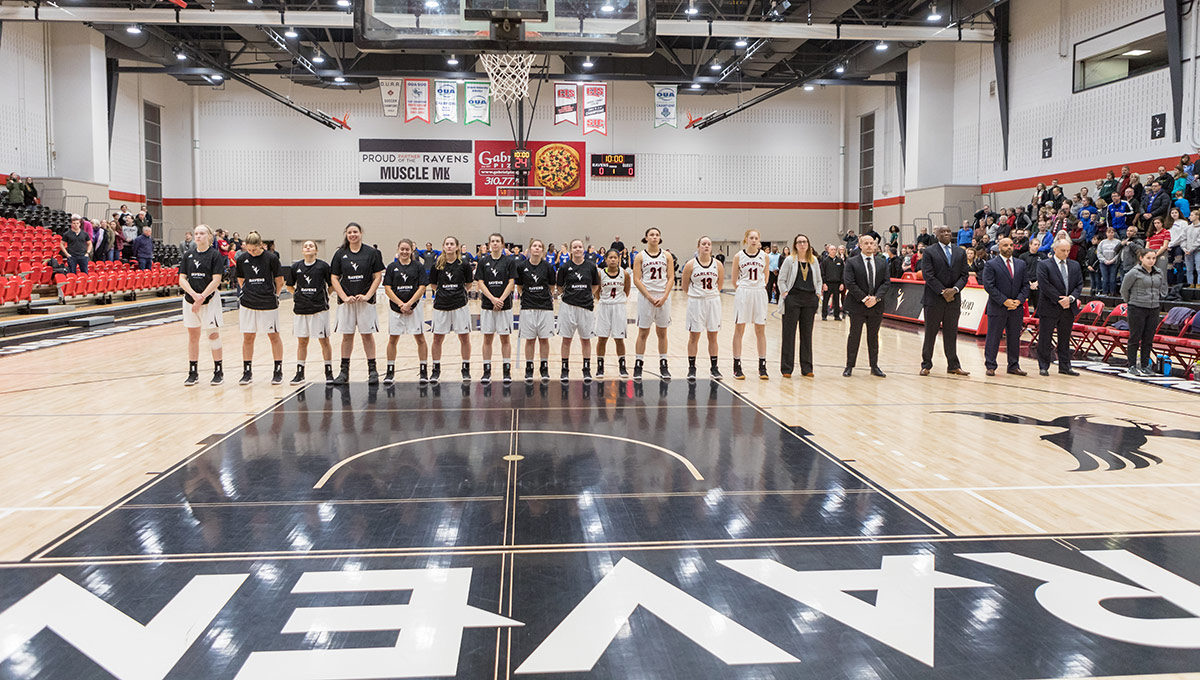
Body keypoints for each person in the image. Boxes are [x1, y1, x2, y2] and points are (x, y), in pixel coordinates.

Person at [330, 222, 385, 385]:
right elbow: (334, 278)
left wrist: (368, 295)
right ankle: (344, 371)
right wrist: (344, 296)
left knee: (367, 336)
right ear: (346, 234)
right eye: (349, 232)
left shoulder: (372, 253)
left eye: (355, 232)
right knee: (347, 337)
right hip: (347, 303)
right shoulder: (340, 254)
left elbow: (378, 277)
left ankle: (373, 371)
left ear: (361, 233)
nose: (352, 235)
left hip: (365, 303)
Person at [234, 231, 285, 386]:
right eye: (249, 250)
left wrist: (273, 295)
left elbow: (279, 281)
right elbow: (241, 279)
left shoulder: (271, 258)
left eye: (254, 250)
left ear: (261, 245)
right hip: (248, 303)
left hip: (268, 302)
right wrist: (249, 292)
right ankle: (247, 372)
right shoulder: (242, 259)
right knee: (248, 338)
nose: (252, 252)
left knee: (273, 336)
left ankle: (278, 371)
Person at [920, 226, 970, 376]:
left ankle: (953, 365)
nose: (946, 234)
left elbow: (964, 275)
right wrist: (943, 291)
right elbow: (928, 275)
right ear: (936, 235)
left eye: (949, 231)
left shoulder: (960, 252)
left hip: (953, 299)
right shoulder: (929, 251)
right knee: (930, 333)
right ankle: (926, 364)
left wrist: (954, 290)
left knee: (951, 333)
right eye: (943, 232)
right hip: (934, 299)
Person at [179, 225, 226, 386]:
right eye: (196, 233)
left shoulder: (215, 255)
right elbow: (182, 279)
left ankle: (218, 371)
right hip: (190, 300)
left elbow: (216, 279)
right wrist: (193, 295)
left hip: (209, 300)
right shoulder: (188, 255)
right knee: (193, 336)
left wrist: (202, 297)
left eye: (202, 233)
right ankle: (193, 372)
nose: (198, 236)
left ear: (209, 236)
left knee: (213, 335)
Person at [287, 239, 335, 385]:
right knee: (302, 341)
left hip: (319, 309)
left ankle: (329, 372)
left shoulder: (323, 266)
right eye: (305, 246)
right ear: (302, 250)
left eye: (311, 246)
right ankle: (300, 373)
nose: (308, 248)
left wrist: (325, 295)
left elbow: (331, 285)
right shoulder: (296, 267)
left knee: (324, 341)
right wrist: (298, 295)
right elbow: (289, 286)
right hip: (301, 309)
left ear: (316, 250)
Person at [382, 238, 429, 385]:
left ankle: (423, 370)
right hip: (396, 309)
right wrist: (401, 304)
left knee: (420, 338)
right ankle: (390, 371)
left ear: (411, 250)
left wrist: (409, 304)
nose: (404, 251)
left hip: (414, 308)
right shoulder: (391, 267)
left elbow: (422, 287)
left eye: (407, 249)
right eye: (402, 249)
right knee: (393, 339)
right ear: (398, 249)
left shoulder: (418, 267)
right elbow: (388, 288)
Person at [842, 234, 890, 377]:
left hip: (876, 305)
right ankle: (849, 366)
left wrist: (876, 298)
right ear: (860, 245)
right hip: (857, 305)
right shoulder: (852, 262)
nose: (870, 246)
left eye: (872, 243)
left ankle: (874, 366)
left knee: (873, 336)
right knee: (854, 335)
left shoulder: (882, 262)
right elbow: (850, 282)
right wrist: (864, 298)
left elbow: (886, 282)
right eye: (866, 243)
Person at [428, 236, 473, 384]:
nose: (449, 246)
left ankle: (465, 368)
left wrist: (457, 293)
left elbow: (469, 284)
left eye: (452, 244)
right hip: (441, 305)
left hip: (460, 305)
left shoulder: (464, 264)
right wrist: (444, 293)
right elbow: (433, 285)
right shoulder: (437, 265)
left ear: (457, 247)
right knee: (437, 338)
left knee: (464, 337)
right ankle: (436, 369)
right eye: (446, 244)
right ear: (443, 246)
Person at [554, 239, 601, 382]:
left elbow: (595, 285)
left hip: (586, 307)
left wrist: (588, 295)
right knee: (566, 339)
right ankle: (564, 369)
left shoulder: (591, 267)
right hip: (568, 307)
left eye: (580, 247)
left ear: (583, 249)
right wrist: (568, 296)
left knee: (585, 339)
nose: (578, 249)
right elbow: (560, 286)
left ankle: (586, 369)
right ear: (571, 250)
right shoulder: (564, 267)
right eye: (575, 247)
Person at [981, 237, 1029, 376]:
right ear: (999, 247)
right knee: (994, 337)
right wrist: (1004, 301)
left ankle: (1013, 365)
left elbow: (1026, 285)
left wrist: (1019, 301)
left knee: (1014, 337)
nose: (1009, 247)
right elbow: (989, 286)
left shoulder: (1021, 264)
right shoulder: (991, 264)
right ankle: (990, 365)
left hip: (1016, 307)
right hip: (998, 307)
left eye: (1011, 245)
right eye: (1006, 245)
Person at [1035, 239, 1083, 376]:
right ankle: (1043, 365)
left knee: (1065, 338)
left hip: (1068, 306)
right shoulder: (1044, 265)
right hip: (1049, 306)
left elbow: (1079, 285)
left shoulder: (1075, 265)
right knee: (1045, 338)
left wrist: (1071, 298)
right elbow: (1044, 285)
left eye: (1068, 250)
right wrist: (1059, 299)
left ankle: (1065, 366)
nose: (1066, 253)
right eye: (1063, 250)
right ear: (1054, 249)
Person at [632, 227, 674, 381]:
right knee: (643, 332)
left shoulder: (667, 255)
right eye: (652, 235)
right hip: (646, 297)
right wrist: (649, 297)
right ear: (646, 238)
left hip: (663, 297)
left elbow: (671, 278)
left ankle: (663, 365)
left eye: (657, 235)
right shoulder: (640, 256)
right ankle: (638, 364)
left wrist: (664, 296)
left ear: (660, 238)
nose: (654, 237)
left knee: (662, 333)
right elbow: (636, 279)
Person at [778, 233, 822, 378]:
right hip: (793, 299)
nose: (802, 244)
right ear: (795, 245)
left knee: (807, 335)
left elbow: (819, 280)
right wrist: (785, 294)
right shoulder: (789, 260)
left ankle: (807, 367)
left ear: (808, 244)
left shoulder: (814, 260)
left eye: (805, 242)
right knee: (789, 335)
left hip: (810, 300)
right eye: (799, 242)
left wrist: (817, 295)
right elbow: (781, 279)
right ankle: (786, 369)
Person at [681, 236, 725, 381]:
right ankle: (692, 368)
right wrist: (698, 295)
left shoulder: (718, 264)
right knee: (694, 336)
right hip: (696, 302)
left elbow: (720, 286)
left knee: (713, 336)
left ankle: (714, 368)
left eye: (709, 244)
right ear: (698, 247)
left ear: (711, 247)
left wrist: (709, 295)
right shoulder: (690, 265)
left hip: (713, 301)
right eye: (703, 244)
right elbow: (685, 287)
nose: (706, 246)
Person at [476, 233, 517, 384]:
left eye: (497, 241)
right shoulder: (483, 261)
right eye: (492, 241)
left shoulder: (509, 261)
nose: (494, 244)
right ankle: (487, 371)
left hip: (504, 306)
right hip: (488, 305)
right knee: (487, 339)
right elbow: (480, 283)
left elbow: (511, 282)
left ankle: (507, 371)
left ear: (502, 244)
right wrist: (493, 299)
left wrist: (501, 299)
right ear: (488, 244)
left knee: (505, 338)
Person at [730, 229, 769, 380]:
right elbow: (734, 280)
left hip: (759, 291)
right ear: (746, 239)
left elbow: (765, 278)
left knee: (760, 329)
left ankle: (762, 365)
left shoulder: (764, 256)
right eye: (751, 238)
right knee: (740, 328)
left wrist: (757, 287)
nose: (754, 240)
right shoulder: (738, 256)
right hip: (744, 291)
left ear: (759, 240)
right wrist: (743, 290)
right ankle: (737, 365)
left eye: (756, 238)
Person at [516, 238, 555, 383]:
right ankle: (529, 367)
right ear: (530, 249)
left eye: (539, 246)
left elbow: (551, 287)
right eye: (534, 246)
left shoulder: (548, 267)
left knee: (544, 339)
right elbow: (519, 286)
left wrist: (543, 296)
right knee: (530, 339)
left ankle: (544, 367)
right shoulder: (521, 267)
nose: (537, 248)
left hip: (545, 307)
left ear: (543, 250)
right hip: (527, 307)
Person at [1121, 248, 1163, 376]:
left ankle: (1145, 365)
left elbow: (1160, 287)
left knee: (1148, 338)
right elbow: (1124, 290)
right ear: (1141, 258)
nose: (1151, 261)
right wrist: (1132, 301)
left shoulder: (1159, 272)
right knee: (1135, 337)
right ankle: (1132, 365)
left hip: (1154, 308)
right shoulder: (1133, 273)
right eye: (1148, 258)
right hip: (1136, 308)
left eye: (1153, 258)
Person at [594, 248, 631, 380]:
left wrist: (616, 301)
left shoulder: (625, 274)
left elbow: (626, 291)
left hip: (619, 307)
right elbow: (596, 292)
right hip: (604, 307)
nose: (613, 259)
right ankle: (600, 366)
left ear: (619, 259)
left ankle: (622, 366)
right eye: (610, 257)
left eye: (615, 257)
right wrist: (604, 300)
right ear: (606, 259)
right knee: (602, 338)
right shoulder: (600, 274)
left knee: (619, 339)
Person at [819, 244, 844, 321]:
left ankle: (837, 315)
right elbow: (822, 272)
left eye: (834, 250)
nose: (833, 251)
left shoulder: (840, 261)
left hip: (837, 283)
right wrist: (824, 283)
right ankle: (824, 315)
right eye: (832, 250)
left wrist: (842, 283)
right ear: (828, 251)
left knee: (836, 300)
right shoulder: (825, 261)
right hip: (828, 283)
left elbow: (842, 272)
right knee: (826, 300)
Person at [1096, 227, 1121, 296]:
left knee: (1112, 279)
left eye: (1112, 232)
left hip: (1113, 263)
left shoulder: (1118, 242)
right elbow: (1099, 252)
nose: (1110, 234)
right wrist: (1104, 260)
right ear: (1106, 233)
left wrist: (1113, 260)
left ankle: (1112, 293)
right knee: (1105, 279)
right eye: (1109, 232)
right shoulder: (1102, 242)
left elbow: (1119, 253)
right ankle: (1105, 293)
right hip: (1103, 263)